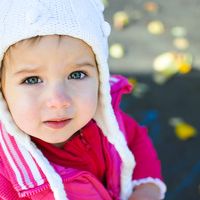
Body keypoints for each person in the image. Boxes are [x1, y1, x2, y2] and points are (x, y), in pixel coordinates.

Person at [0, 0, 166, 199]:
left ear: (100, 76)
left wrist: (147, 188)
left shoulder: (106, 118)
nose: (59, 100)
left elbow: (135, 139)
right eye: (32, 79)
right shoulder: (7, 179)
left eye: (77, 74)